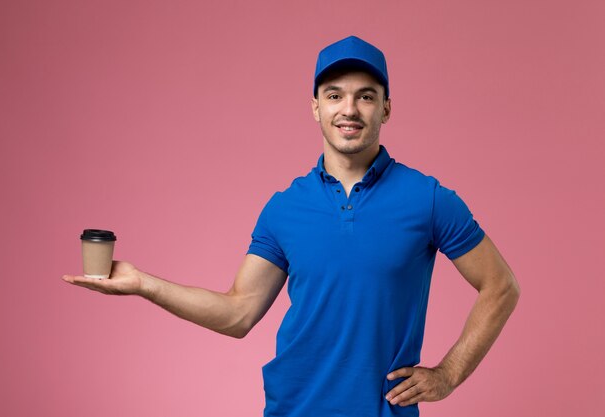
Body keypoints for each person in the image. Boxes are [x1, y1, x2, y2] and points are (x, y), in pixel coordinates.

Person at [63, 35, 520, 417]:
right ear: (316, 108)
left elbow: (501, 286)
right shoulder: (284, 208)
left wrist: (448, 374)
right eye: (335, 95)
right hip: (293, 409)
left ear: (386, 110)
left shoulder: (428, 199)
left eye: (366, 96)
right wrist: (144, 284)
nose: (350, 109)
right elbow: (238, 313)